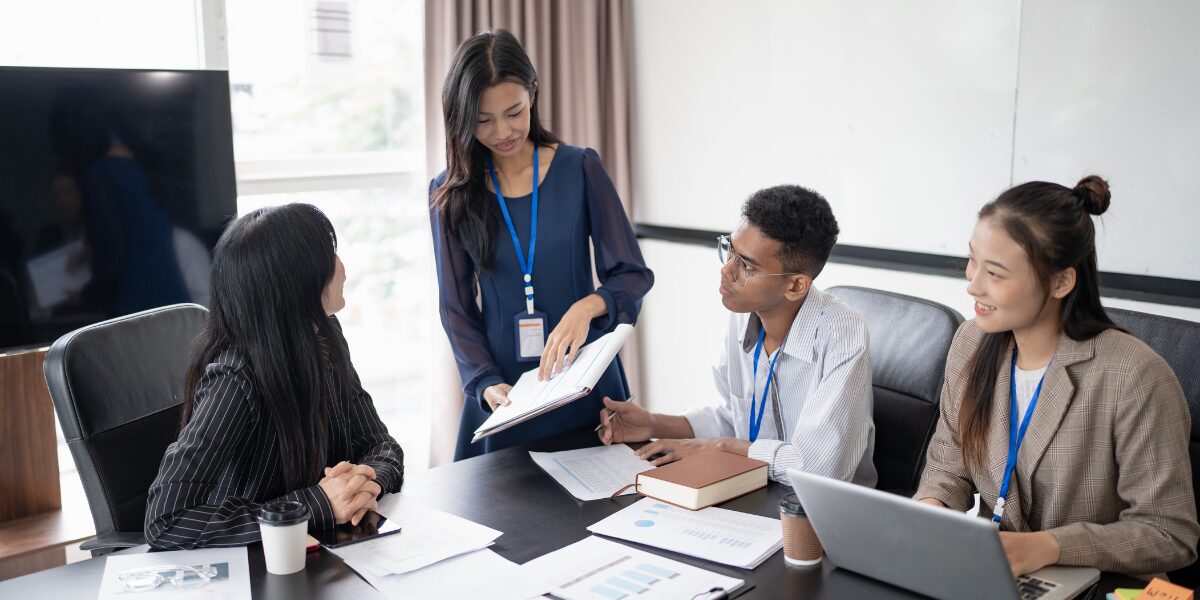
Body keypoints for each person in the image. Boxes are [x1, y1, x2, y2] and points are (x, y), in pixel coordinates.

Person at [914, 176, 1199, 579]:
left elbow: (1169, 533)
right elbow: (950, 464)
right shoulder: (972, 342)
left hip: (1101, 582)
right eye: (973, 260)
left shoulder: (1134, 376)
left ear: (1061, 281)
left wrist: (1049, 546)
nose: (972, 283)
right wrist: (929, 515)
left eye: (995, 273)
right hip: (1000, 572)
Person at [430, 29, 653, 460]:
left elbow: (632, 275)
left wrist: (587, 307)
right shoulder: (451, 192)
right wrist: (483, 380)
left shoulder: (580, 168)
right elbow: (455, 308)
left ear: (533, 93)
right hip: (506, 394)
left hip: (583, 380)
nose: (503, 131)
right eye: (483, 120)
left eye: (514, 112)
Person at [145, 204, 404, 549]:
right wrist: (319, 504)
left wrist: (366, 482)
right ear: (298, 282)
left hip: (320, 552)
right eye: (330, 255)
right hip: (254, 566)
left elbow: (380, 444)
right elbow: (166, 520)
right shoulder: (235, 377)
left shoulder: (324, 335)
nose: (342, 267)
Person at [598, 185, 876, 486]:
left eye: (746, 265)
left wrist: (723, 448)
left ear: (795, 286)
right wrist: (655, 423)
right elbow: (739, 418)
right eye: (730, 250)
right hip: (753, 486)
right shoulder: (745, 314)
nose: (726, 271)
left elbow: (819, 470)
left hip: (821, 514)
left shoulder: (842, 335)